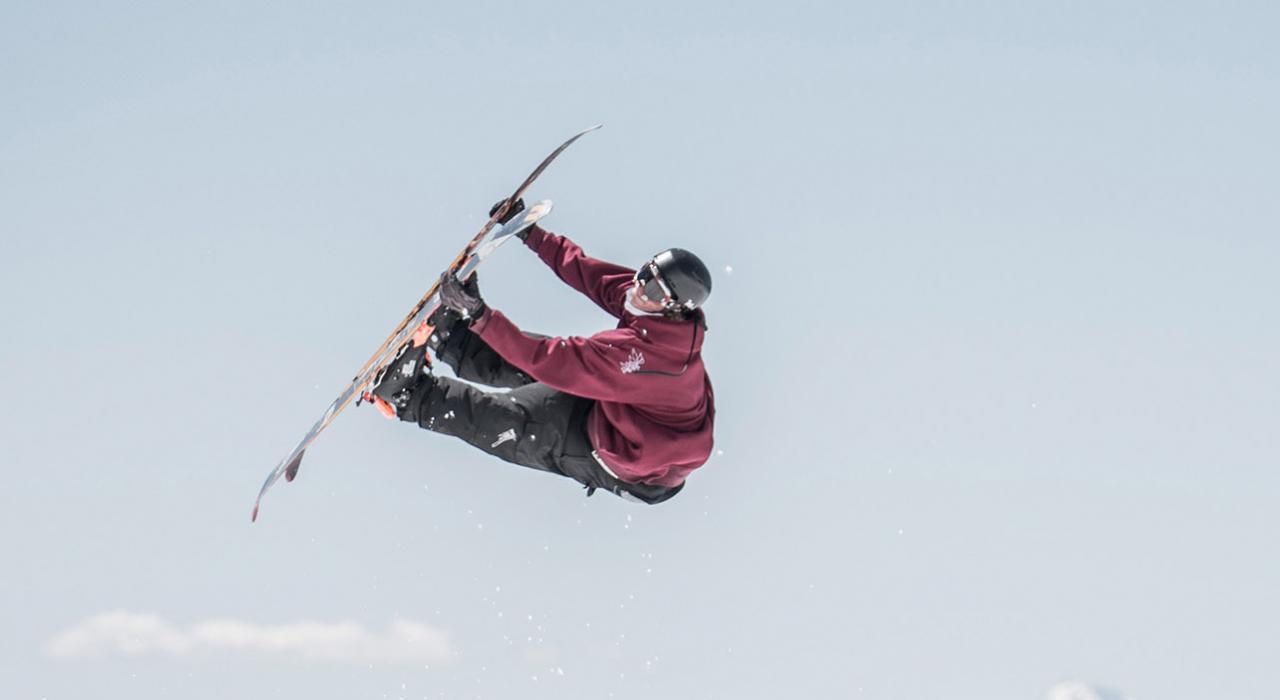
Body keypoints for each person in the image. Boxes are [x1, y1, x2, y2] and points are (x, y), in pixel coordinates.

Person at [366, 198, 715, 504]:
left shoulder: (646, 358)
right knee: (537, 364)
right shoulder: (653, 310)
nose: (640, 287)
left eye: (653, 289)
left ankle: (410, 397)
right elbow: (591, 275)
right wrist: (531, 234)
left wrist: (480, 314)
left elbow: (557, 359)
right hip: (618, 409)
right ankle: (454, 338)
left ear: (673, 306)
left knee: (514, 420)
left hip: (622, 457)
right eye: (646, 273)